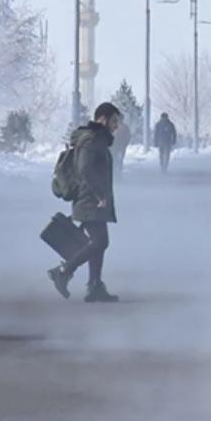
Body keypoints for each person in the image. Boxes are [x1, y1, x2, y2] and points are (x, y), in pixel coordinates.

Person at [48, 102, 121, 302]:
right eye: (114, 121)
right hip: (90, 200)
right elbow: (85, 170)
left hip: (93, 199)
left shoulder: (97, 139)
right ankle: (63, 271)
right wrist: (100, 196)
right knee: (100, 241)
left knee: (99, 242)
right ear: (102, 119)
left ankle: (94, 286)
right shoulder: (91, 140)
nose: (116, 126)